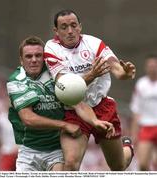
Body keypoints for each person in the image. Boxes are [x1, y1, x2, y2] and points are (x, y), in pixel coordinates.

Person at [44, 9, 136, 171]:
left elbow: (116, 68)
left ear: (80, 27)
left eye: (73, 25)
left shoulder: (94, 43)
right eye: (64, 27)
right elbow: (66, 89)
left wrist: (125, 73)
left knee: (118, 166)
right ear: (56, 31)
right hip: (73, 109)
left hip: (102, 107)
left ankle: (127, 147)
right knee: (71, 164)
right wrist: (92, 75)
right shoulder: (51, 49)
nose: (70, 31)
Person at [6, 36, 114, 171]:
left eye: (38, 55)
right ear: (21, 60)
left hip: (56, 149)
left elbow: (77, 103)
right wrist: (64, 125)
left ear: (44, 58)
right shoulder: (16, 81)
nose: (34, 60)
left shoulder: (57, 75)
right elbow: (28, 118)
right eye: (28, 56)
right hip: (29, 150)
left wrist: (95, 121)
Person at [130, 55, 157, 171]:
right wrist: (134, 133)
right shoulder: (141, 84)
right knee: (143, 165)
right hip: (146, 126)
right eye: (150, 66)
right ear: (146, 67)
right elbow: (136, 109)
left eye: (154, 66)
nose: (152, 68)